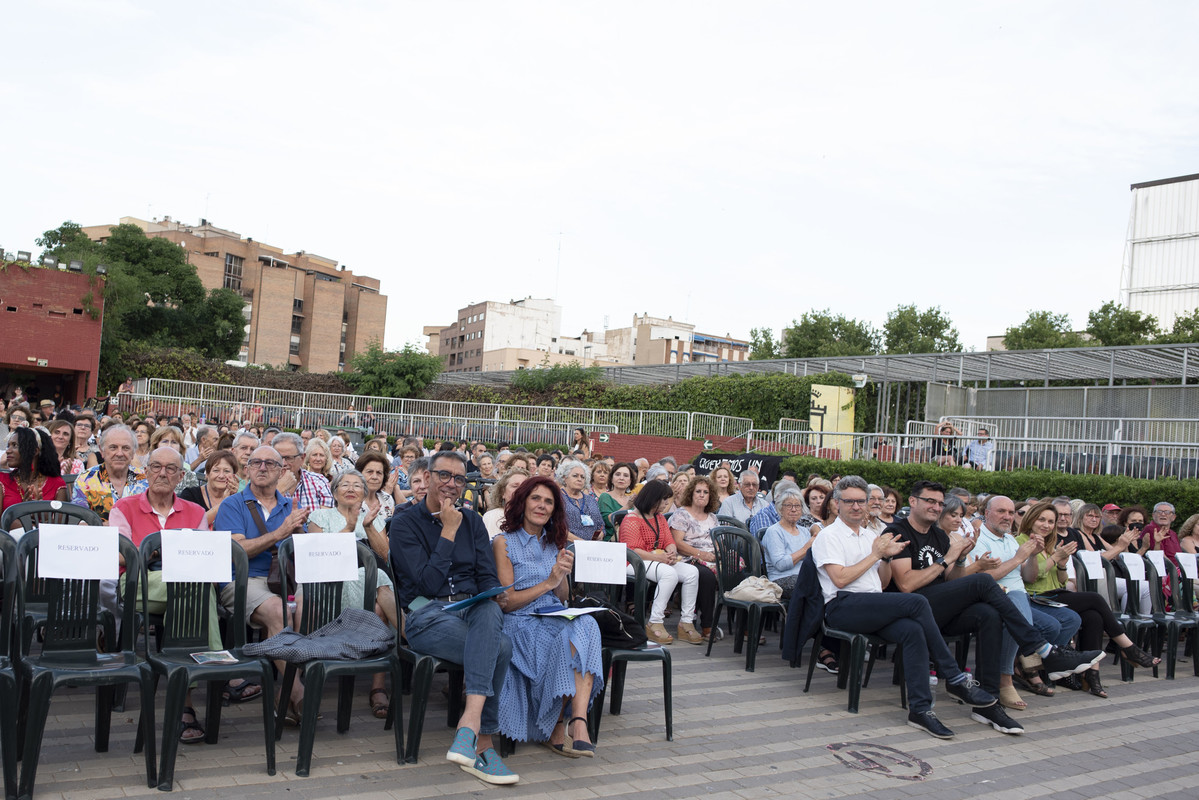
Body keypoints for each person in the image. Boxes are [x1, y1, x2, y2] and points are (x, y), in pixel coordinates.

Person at [888, 486, 1103, 733]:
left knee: (990, 614)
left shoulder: (939, 536)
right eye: (930, 501)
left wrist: (960, 559)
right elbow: (906, 585)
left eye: (939, 503)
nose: (936, 507)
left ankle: (989, 703)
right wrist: (951, 560)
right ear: (913, 502)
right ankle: (1043, 650)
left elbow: (951, 580)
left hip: (940, 606)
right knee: (984, 581)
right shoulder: (897, 531)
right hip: (913, 608)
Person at [812, 476, 997, 738]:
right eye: (849, 501)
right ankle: (954, 677)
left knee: (913, 630)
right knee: (917, 601)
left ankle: (920, 710)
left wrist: (885, 558)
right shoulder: (827, 536)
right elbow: (840, 579)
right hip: (842, 606)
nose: (856, 506)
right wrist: (877, 555)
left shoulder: (872, 536)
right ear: (836, 504)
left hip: (873, 603)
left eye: (861, 501)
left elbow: (883, 582)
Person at [389, 451, 518, 784]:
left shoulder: (473, 521)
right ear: (428, 476)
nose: (451, 484)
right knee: (500, 648)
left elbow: (486, 573)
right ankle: (484, 741)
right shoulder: (403, 521)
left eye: (459, 478)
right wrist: (448, 531)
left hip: (470, 609)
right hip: (425, 614)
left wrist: (494, 591)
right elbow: (428, 584)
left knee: (489, 607)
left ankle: (468, 726)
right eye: (444, 475)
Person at [109, 445, 227, 741]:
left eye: (171, 468)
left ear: (181, 476)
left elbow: (204, 557)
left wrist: (163, 553)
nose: (163, 473)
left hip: (183, 585)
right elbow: (122, 557)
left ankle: (183, 704)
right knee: (195, 588)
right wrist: (162, 552)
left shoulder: (196, 512)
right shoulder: (124, 507)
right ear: (146, 472)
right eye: (156, 466)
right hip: (139, 582)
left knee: (190, 591)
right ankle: (213, 665)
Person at [492, 475, 602, 755]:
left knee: (588, 624)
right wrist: (548, 583)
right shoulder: (503, 542)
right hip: (519, 621)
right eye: (536, 498)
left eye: (549, 502)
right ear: (522, 502)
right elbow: (506, 603)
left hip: (553, 615)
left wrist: (562, 575)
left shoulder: (554, 543)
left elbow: (561, 597)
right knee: (568, 636)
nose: (541, 506)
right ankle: (559, 724)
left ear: (555, 510)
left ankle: (577, 722)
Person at [1017, 500, 1158, 698]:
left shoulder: (1051, 542)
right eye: (1042, 520)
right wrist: (1056, 558)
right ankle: (1128, 647)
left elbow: (1061, 579)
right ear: (1031, 519)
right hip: (1036, 596)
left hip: (1055, 593)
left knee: (1094, 616)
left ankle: (1092, 676)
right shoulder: (1021, 541)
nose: (1046, 525)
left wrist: (1062, 564)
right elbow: (1030, 578)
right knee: (1094, 599)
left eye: (1050, 521)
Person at [212, 445, 310, 721]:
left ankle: (284, 689)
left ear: (282, 471)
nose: (262, 467)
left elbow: (303, 551)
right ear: (247, 470)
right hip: (244, 579)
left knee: (307, 606)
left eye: (270, 463)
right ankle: (299, 692)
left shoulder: (290, 505)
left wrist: (300, 532)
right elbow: (237, 551)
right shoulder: (232, 504)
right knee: (280, 611)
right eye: (256, 462)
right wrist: (280, 532)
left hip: (285, 577)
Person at [969, 496, 1084, 710]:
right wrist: (1020, 557)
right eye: (1001, 511)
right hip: (996, 598)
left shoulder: (1010, 540)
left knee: (1065, 620)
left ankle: (1030, 665)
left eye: (1011, 513)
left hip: (1022, 594)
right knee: (1021, 613)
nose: (1007, 517)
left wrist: (1033, 556)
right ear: (986, 513)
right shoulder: (979, 538)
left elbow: (1028, 576)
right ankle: (1008, 678)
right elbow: (983, 580)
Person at [307, 470, 399, 719]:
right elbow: (317, 556)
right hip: (329, 583)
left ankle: (377, 686)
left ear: (364, 492)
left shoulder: (371, 516)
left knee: (379, 585)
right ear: (334, 491)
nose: (350, 488)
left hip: (367, 583)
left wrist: (367, 526)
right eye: (344, 484)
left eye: (357, 485)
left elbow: (385, 555)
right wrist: (348, 527)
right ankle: (407, 634)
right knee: (379, 589)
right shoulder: (320, 515)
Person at [619, 480, 704, 645]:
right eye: (664, 499)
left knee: (692, 572)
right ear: (652, 498)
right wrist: (660, 557)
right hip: (634, 563)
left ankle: (686, 621)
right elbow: (633, 550)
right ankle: (654, 621)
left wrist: (671, 551)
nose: (666, 503)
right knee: (669, 574)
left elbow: (668, 540)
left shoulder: (659, 518)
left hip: (657, 560)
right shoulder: (632, 519)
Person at [668, 475, 725, 642]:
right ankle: (707, 625)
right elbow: (678, 544)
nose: (701, 495)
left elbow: (717, 542)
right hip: (688, 558)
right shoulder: (681, 514)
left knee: (738, 573)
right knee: (706, 576)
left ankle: (745, 630)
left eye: (705, 492)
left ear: (711, 496)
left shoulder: (713, 517)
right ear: (691, 494)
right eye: (698, 491)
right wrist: (702, 555)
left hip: (711, 557)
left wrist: (718, 554)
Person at [72, 425, 148, 520]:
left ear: (133, 453)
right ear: (102, 451)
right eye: (113, 448)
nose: (119, 453)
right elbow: (78, 520)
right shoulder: (86, 479)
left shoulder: (146, 480)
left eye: (125, 448)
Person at [760, 486, 815, 598]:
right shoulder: (774, 532)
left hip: (803, 577)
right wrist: (805, 549)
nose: (793, 509)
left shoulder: (804, 531)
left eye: (797, 506)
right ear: (780, 509)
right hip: (781, 579)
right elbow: (780, 564)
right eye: (789, 505)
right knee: (811, 587)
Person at [1, 427, 68, 512]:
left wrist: (38, 511)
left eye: (15, 445)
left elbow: (60, 524)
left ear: (34, 451)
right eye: (8, 446)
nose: (8, 451)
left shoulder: (57, 484)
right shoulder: (2, 481)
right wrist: (23, 511)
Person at [274, 432, 333, 512]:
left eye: (289, 458)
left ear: (302, 458)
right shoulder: (262, 483)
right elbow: (261, 519)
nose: (283, 463)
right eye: (279, 457)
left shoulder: (319, 482)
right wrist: (280, 491)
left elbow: (327, 519)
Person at [179, 450, 241, 526]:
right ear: (207, 474)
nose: (221, 476)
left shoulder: (238, 501)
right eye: (216, 470)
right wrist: (224, 504)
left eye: (227, 471)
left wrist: (233, 498)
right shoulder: (190, 495)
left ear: (234, 476)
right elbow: (193, 524)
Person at [557, 460, 602, 542]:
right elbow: (555, 527)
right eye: (575, 476)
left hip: (592, 547)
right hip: (566, 545)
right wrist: (581, 543)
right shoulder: (557, 498)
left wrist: (601, 533)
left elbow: (601, 525)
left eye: (582, 477)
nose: (579, 479)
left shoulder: (591, 500)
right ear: (565, 478)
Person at [483, 469, 530, 540]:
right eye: (515, 486)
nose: (520, 490)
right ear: (502, 492)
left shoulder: (533, 518)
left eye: (524, 487)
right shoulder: (492, 516)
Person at [598, 462, 636, 541]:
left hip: (630, 541)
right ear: (611, 479)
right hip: (611, 542)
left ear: (630, 481)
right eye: (618, 474)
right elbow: (608, 522)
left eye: (625, 475)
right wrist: (627, 506)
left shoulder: (633, 500)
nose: (621, 478)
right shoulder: (605, 496)